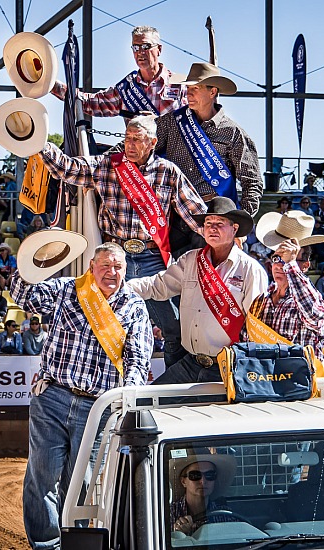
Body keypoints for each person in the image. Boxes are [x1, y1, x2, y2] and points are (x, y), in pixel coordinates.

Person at [10, 241, 153, 548]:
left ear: (126, 270)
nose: (111, 273)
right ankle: (46, 544)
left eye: (118, 267)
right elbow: (24, 296)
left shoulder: (134, 306)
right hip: (52, 398)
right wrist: (33, 262)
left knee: (83, 483)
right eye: (105, 266)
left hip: (97, 407)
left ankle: (73, 542)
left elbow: (138, 359)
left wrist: (127, 394)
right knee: (42, 476)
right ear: (92, 267)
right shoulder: (67, 289)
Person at [39, 115, 207, 367]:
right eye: (127, 138)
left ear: (152, 142)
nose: (129, 144)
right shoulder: (108, 165)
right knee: (109, 323)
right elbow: (68, 169)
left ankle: (175, 383)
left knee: (173, 326)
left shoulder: (168, 172)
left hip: (153, 258)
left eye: (137, 139)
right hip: (116, 259)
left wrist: (222, 235)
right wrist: (40, 143)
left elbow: (194, 212)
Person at [128, 197, 267, 384]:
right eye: (208, 223)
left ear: (234, 229)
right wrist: (120, 288)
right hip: (190, 363)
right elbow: (157, 286)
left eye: (220, 223)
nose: (212, 228)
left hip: (229, 368)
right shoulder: (191, 260)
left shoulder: (250, 269)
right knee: (148, 406)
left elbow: (257, 324)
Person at [155, 62, 263, 254]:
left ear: (212, 92)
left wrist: (240, 225)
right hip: (172, 214)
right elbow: (143, 144)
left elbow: (252, 183)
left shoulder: (232, 133)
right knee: (170, 278)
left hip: (212, 217)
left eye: (195, 88)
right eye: (188, 88)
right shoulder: (171, 122)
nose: (188, 93)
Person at [242, 211, 324, 365]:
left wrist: (291, 265)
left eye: (289, 258)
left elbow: (314, 316)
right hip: (264, 382)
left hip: (298, 385)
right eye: (277, 258)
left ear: (305, 266)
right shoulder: (261, 300)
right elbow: (246, 338)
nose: (280, 265)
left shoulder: (312, 298)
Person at [51, 25, 185, 118]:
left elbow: (193, 124)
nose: (140, 52)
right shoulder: (126, 89)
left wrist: (157, 123)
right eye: (136, 47)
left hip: (172, 157)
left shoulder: (180, 85)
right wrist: (49, 83)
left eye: (145, 46)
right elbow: (91, 102)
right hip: (137, 157)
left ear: (159, 49)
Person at [170, 448, 236, 536]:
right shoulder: (169, 514)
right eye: (195, 475)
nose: (203, 481)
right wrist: (178, 535)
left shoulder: (225, 514)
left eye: (209, 475)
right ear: (183, 481)